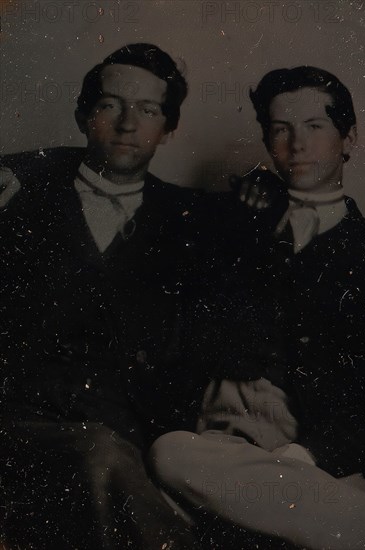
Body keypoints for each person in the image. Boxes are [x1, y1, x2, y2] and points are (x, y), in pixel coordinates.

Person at [147, 67, 365, 549]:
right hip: (217, 446)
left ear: (350, 138)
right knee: (169, 454)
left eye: (315, 126)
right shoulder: (234, 219)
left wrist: (306, 458)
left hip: (316, 452)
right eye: (280, 129)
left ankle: (323, 507)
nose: (296, 143)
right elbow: (135, 190)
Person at [0, 43, 209, 549]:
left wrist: (261, 190)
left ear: (169, 128)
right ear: (82, 115)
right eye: (110, 104)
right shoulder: (18, 190)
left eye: (148, 110)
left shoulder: (190, 218)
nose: (127, 124)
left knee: (105, 458)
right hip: (18, 422)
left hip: (125, 428)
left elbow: (269, 217)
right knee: (98, 454)